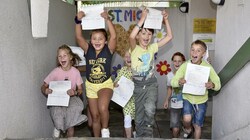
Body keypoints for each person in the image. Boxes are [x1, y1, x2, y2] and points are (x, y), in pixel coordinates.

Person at [129, 8, 173, 137]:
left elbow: (170, 37)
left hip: (151, 85)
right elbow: (131, 36)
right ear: (138, 36)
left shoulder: (152, 47)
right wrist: (142, 18)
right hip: (138, 87)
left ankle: (148, 133)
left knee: (150, 109)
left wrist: (166, 19)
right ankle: (140, 134)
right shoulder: (134, 48)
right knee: (139, 116)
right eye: (143, 33)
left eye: (149, 34)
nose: (147, 36)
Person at [75, 9, 116, 138]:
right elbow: (78, 37)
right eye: (94, 38)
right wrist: (78, 20)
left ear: (105, 41)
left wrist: (107, 19)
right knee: (94, 118)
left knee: (103, 108)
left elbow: (114, 36)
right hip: (91, 86)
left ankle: (105, 130)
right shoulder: (88, 50)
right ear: (91, 40)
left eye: (100, 39)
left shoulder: (109, 49)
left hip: (105, 84)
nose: (97, 41)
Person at [171, 40, 221, 139]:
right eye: (192, 50)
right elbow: (173, 81)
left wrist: (213, 85)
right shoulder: (185, 65)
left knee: (197, 125)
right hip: (187, 98)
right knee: (186, 118)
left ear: (203, 53)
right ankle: (187, 128)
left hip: (201, 100)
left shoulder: (208, 67)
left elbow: (218, 84)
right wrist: (179, 82)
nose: (194, 53)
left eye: (198, 51)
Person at [41, 44, 87, 138]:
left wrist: (75, 92)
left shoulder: (75, 72)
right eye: (59, 56)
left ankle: (74, 123)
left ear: (70, 57)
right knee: (57, 112)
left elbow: (80, 90)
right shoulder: (56, 72)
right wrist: (45, 90)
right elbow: (43, 85)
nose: (62, 58)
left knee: (71, 123)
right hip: (58, 98)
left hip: (72, 97)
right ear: (58, 59)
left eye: (64, 55)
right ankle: (58, 127)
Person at [163, 52, 186, 138]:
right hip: (174, 104)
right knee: (175, 126)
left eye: (179, 61)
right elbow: (169, 88)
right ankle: (175, 137)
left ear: (183, 62)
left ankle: (184, 132)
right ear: (172, 62)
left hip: (186, 104)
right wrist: (166, 100)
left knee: (186, 123)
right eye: (175, 61)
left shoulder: (187, 75)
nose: (177, 63)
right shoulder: (169, 75)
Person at [113, 50, 135, 138]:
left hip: (138, 100)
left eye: (131, 56)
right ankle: (129, 138)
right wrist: (116, 84)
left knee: (138, 121)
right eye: (126, 56)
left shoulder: (138, 70)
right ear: (123, 58)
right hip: (127, 101)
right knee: (127, 119)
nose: (128, 58)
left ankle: (136, 135)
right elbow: (115, 82)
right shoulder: (122, 70)